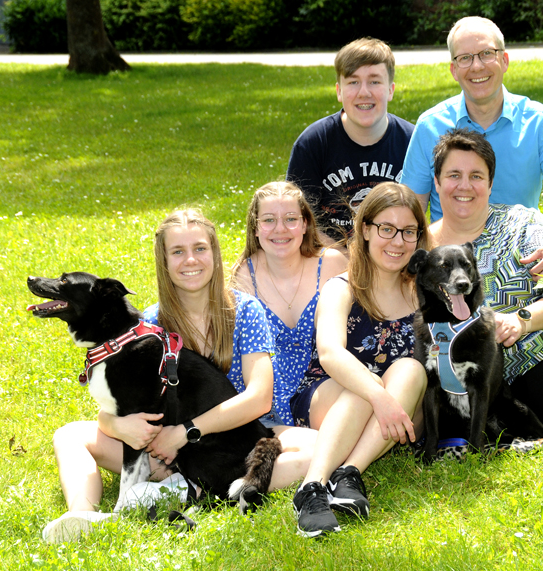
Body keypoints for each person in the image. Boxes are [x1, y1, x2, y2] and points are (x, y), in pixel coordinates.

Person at [42, 209, 314, 543]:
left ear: (215, 253)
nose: (190, 260)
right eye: (178, 251)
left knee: (319, 448)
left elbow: (259, 399)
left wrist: (185, 433)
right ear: (164, 261)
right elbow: (123, 404)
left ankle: (193, 489)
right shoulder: (149, 325)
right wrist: (119, 426)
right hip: (163, 448)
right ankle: (83, 515)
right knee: (68, 435)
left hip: (238, 432)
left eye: (200, 248)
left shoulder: (245, 310)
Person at [428, 128, 543, 439]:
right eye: (454, 175)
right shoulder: (424, 253)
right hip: (535, 359)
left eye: (476, 176)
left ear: (490, 183)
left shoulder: (520, 223)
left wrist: (521, 321)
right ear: (437, 182)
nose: (465, 185)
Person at [400, 16, 543, 279]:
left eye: (487, 54)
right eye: (465, 58)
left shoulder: (539, 122)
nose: (476, 66)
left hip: (521, 265)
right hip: (451, 269)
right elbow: (409, 210)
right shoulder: (430, 126)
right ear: (454, 70)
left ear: (505, 60)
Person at [289, 182, 429, 538]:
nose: (398, 241)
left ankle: (349, 473)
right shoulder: (343, 287)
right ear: (365, 230)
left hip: (398, 405)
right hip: (330, 394)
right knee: (362, 386)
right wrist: (378, 395)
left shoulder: (422, 291)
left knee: (411, 369)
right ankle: (312, 488)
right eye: (387, 229)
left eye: (408, 231)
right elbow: (330, 353)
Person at [232, 181, 348, 427]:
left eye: (290, 219)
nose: (280, 229)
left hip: (324, 387)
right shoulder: (244, 276)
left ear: (305, 224)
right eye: (269, 220)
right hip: (268, 399)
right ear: (255, 228)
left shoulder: (332, 265)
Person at [286, 37, 415, 245]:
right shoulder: (313, 143)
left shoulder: (413, 142)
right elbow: (299, 219)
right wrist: (344, 258)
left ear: (390, 90)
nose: (364, 92)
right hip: (329, 255)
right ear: (339, 91)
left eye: (374, 81)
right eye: (353, 82)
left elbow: (419, 218)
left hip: (395, 252)